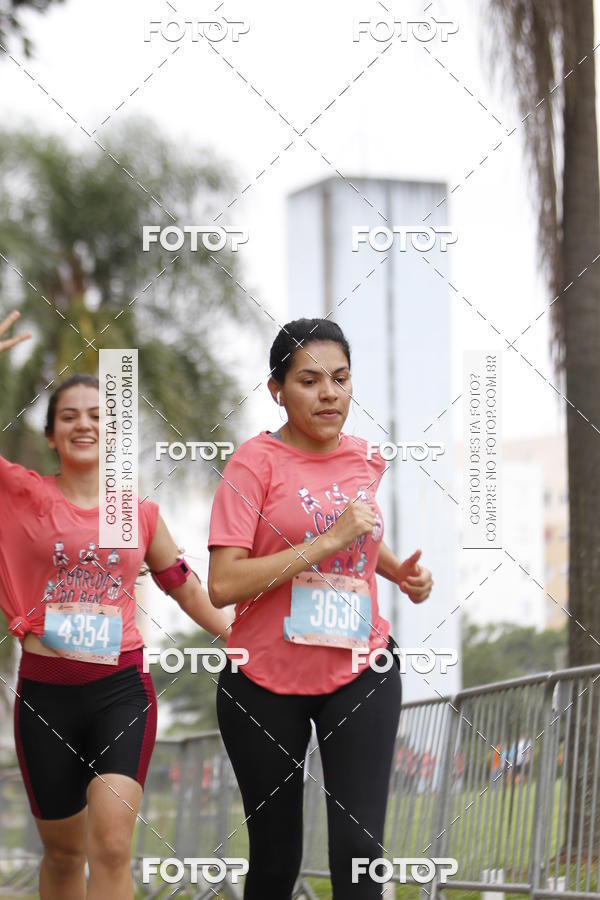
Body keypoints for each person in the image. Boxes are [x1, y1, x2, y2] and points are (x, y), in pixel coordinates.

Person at [0, 310, 230, 900]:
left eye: (98, 417)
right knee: (62, 853)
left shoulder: (138, 513)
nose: (84, 425)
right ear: (51, 435)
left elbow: (185, 586)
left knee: (109, 844)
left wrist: (236, 629)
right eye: (69, 417)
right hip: (46, 693)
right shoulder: (24, 495)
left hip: (120, 691)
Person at [207, 318, 433, 899]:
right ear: (277, 389)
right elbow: (223, 584)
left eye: (340, 378)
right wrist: (325, 544)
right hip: (261, 680)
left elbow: (354, 531)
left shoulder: (363, 458)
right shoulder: (252, 465)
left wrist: (395, 571)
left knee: (360, 855)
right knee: (277, 858)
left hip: (360, 668)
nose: (329, 393)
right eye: (309, 380)